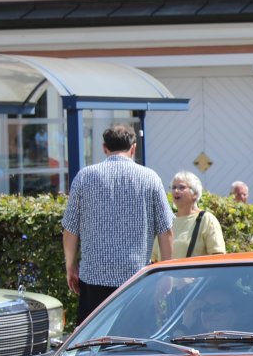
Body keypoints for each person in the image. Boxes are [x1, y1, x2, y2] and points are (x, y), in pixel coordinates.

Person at [62, 124, 174, 322]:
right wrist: (166, 273)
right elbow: (166, 231)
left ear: (104, 148)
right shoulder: (150, 178)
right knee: (136, 336)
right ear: (133, 148)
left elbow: (70, 230)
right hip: (137, 277)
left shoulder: (84, 177)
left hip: (94, 276)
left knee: (94, 337)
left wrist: (70, 266)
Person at [153, 170, 226, 261]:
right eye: (174, 187)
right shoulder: (167, 221)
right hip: (166, 271)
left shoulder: (206, 219)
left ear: (195, 193)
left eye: (182, 187)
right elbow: (154, 259)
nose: (176, 191)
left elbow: (218, 256)